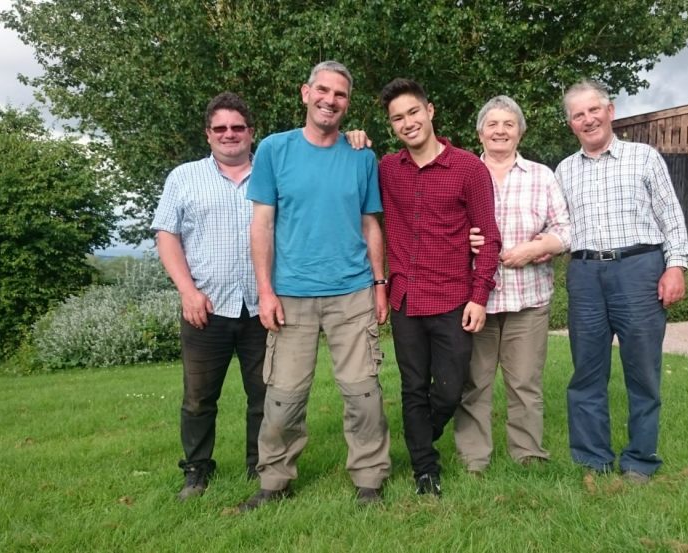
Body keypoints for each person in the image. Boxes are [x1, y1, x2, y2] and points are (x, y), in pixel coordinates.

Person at [239, 61, 391, 510]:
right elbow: (262, 225)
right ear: (305, 93)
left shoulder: (362, 155)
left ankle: (369, 479)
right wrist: (265, 290)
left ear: (348, 103)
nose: (330, 100)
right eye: (322, 91)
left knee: (363, 394)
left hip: (353, 292)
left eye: (340, 94)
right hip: (290, 296)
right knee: (283, 397)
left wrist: (380, 283)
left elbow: (371, 224)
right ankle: (274, 481)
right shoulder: (273, 150)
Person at [555, 80, 688, 483]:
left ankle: (640, 460)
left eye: (593, 110)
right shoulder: (564, 170)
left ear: (610, 111)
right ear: (571, 124)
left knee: (643, 371)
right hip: (584, 274)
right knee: (586, 372)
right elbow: (554, 225)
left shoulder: (644, 158)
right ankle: (592, 459)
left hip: (639, 269)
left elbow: (671, 215)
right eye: (578, 115)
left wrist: (676, 266)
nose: (588, 119)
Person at [378, 78, 502, 496]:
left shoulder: (469, 168)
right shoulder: (385, 170)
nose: (407, 122)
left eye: (413, 112)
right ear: (392, 126)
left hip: (452, 299)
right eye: (398, 118)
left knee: (448, 390)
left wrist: (479, 296)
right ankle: (424, 469)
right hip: (406, 299)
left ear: (430, 111)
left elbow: (490, 239)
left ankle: (418, 439)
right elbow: (344, 166)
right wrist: (353, 140)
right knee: (413, 386)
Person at [151, 91, 266, 501]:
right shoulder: (183, 177)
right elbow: (167, 237)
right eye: (221, 128)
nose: (229, 134)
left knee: (265, 394)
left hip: (262, 307)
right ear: (208, 134)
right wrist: (187, 292)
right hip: (206, 306)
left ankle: (261, 467)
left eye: (237, 127)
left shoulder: (272, 175)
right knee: (199, 398)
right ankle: (197, 470)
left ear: (251, 132)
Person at [452, 96, 572, 473]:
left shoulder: (541, 176)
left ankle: (528, 455)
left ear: (520, 131)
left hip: (528, 298)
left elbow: (565, 231)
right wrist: (463, 241)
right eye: (492, 124)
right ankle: (474, 457)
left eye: (508, 124)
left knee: (525, 383)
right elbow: (440, 230)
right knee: (474, 382)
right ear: (480, 132)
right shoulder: (463, 172)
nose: (500, 131)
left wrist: (537, 247)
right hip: (476, 301)